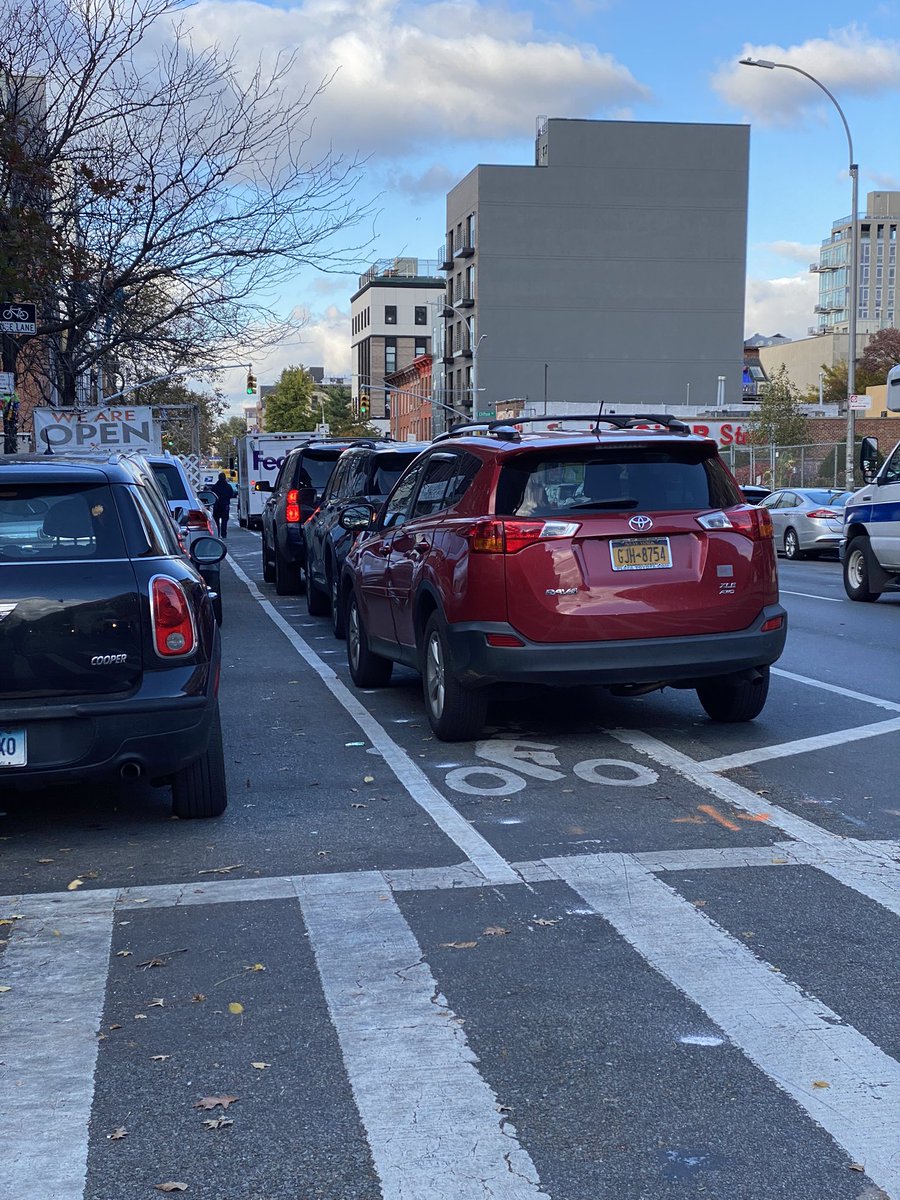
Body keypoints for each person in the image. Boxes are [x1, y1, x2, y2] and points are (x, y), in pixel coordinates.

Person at [210, 472, 235, 538]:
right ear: (225, 478)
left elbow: (212, 496)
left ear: (218, 478)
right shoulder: (228, 486)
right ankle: (224, 534)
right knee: (224, 520)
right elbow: (231, 495)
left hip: (217, 505)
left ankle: (217, 533)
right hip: (225, 505)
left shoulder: (215, 487)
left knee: (216, 520)